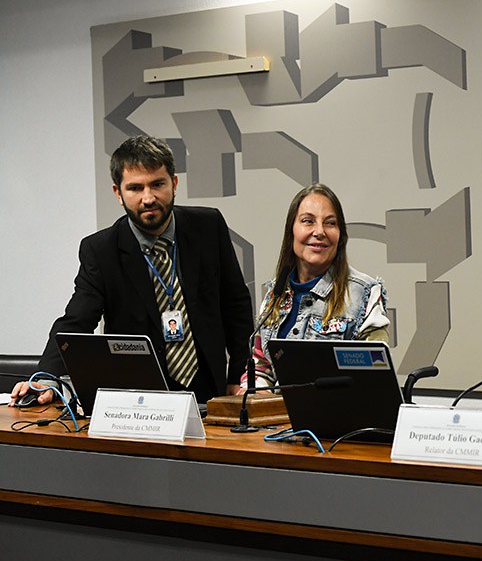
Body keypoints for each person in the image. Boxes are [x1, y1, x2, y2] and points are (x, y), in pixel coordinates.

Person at [10, 135, 253, 406]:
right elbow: (76, 322)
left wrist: (241, 375)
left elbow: (235, 305)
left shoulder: (208, 226)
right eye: (135, 188)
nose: (148, 198)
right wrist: (45, 377)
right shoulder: (100, 250)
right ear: (118, 193)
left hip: (209, 388)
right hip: (138, 397)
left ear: (173, 183)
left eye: (157, 184)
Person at [242, 183, 389, 389]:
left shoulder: (364, 293)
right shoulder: (275, 293)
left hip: (338, 418)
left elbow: (376, 375)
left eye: (330, 223)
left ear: (340, 235)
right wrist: (255, 392)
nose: (319, 232)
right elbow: (261, 363)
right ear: (291, 230)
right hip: (276, 418)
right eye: (308, 221)